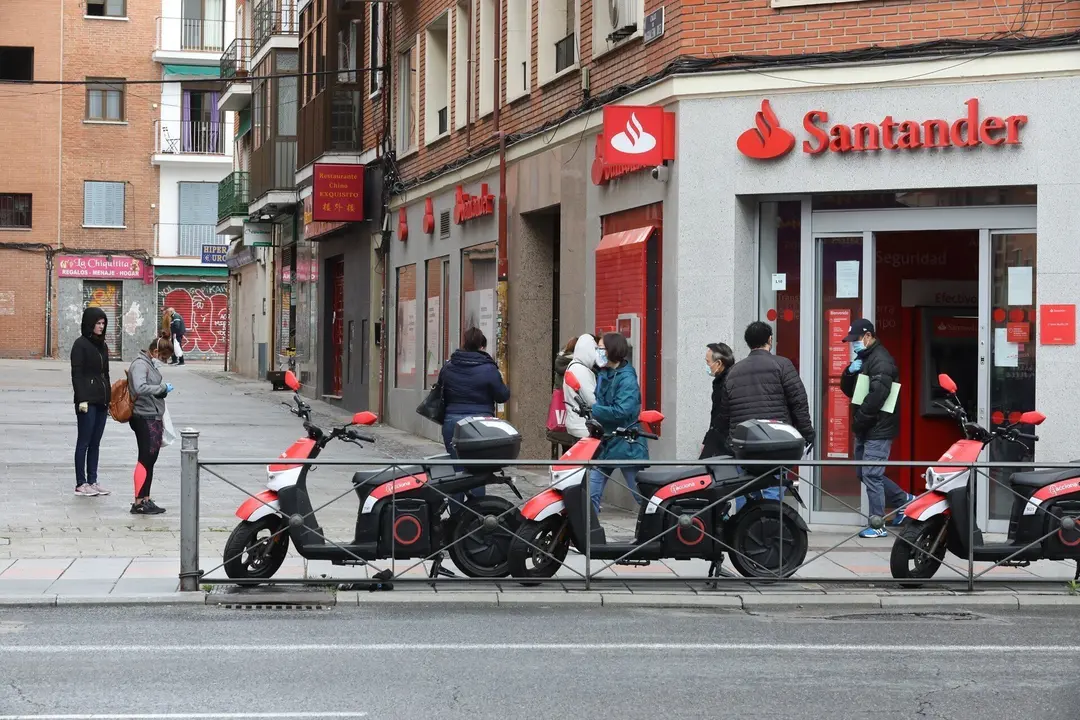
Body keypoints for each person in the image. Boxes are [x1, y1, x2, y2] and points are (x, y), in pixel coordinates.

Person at [718, 321, 814, 504]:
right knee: (772, 490)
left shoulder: (733, 372)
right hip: (775, 444)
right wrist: (807, 432)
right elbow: (799, 402)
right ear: (770, 339)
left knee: (744, 491)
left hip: (744, 445)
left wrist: (729, 442)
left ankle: (744, 530)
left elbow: (724, 413)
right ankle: (771, 528)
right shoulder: (782, 365)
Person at [840, 318, 914, 538]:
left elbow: (877, 397)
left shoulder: (881, 361)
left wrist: (859, 420)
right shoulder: (864, 358)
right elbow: (849, 390)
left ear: (868, 336)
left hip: (878, 427)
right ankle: (903, 501)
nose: (853, 344)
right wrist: (850, 372)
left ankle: (878, 523)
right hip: (866, 426)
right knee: (864, 473)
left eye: (856, 340)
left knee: (871, 474)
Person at [438, 327, 510, 495]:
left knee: (456, 472)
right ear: (482, 346)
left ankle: (455, 518)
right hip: (480, 425)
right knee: (477, 471)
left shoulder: (449, 367)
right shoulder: (488, 368)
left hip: (452, 422)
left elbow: (441, 391)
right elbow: (502, 396)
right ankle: (475, 515)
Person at [589, 332, 648, 514]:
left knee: (641, 496)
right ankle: (588, 536)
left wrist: (593, 410)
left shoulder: (627, 378)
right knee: (591, 493)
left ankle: (657, 529)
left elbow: (622, 411)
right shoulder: (603, 373)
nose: (597, 352)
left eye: (600, 348)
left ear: (612, 350)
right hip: (605, 441)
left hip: (626, 443)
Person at [127, 334, 175, 515]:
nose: (163, 361)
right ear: (154, 351)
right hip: (143, 416)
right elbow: (140, 387)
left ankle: (146, 499)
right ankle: (138, 501)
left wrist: (162, 392)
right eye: (162, 358)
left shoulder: (149, 364)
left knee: (151, 459)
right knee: (145, 458)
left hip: (153, 415)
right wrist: (162, 388)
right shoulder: (140, 364)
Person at [70, 307, 113, 497]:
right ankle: (81, 483)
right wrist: (81, 399)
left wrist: (109, 398)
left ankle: (93, 480)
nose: (101, 327)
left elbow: (106, 373)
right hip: (87, 401)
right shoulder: (80, 345)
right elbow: (76, 375)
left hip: (101, 400)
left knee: (96, 442)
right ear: (90, 323)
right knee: (84, 442)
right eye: (98, 323)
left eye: (103, 323)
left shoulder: (102, 345)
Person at [700, 342, 735, 460]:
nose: (707, 366)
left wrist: (710, 442)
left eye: (708, 362)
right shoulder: (723, 380)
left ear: (719, 363)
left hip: (724, 442)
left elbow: (719, 416)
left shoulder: (726, 383)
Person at [563, 333, 600, 441]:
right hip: (583, 426)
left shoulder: (573, 366)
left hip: (575, 423)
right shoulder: (581, 370)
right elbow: (592, 400)